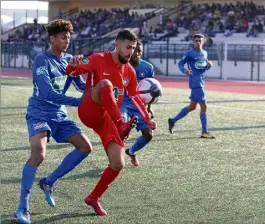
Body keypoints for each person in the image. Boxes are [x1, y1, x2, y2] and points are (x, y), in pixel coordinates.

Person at [65, 29, 157, 216]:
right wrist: (72, 64)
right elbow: (71, 70)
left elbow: (135, 98)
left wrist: (147, 119)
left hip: (106, 117)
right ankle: (120, 123)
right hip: (89, 109)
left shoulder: (130, 71)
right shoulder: (98, 58)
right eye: (127, 47)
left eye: (132, 48)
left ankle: (93, 198)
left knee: (118, 163)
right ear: (117, 45)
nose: (130, 52)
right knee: (105, 85)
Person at [14, 19, 93, 224]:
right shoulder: (42, 60)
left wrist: (88, 77)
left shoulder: (68, 60)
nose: (67, 41)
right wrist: (78, 102)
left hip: (59, 113)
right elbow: (48, 93)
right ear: (52, 38)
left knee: (85, 147)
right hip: (39, 111)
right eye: (63, 37)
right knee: (39, 154)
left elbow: (81, 86)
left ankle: (49, 182)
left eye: (68, 37)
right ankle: (23, 208)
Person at [168, 33, 215, 139]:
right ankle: (204, 132)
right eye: (196, 40)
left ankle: (172, 120)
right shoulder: (190, 53)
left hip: (201, 82)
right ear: (193, 42)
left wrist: (208, 66)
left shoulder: (205, 53)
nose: (198, 42)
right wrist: (185, 71)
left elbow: (202, 69)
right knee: (204, 106)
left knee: (192, 106)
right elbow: (180, 63)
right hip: (196, 83)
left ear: (203, 42)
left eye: (200, 41)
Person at [120, 41, 155, 166]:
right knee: (120, 130)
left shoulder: (148, 68)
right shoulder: (121, 65)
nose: (137, 54)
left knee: (148, 135)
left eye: (140, 51)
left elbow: (151, 90)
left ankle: (131, 151)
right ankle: (115, 161)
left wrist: (149, 108)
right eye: (135, 51)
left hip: (138, 106)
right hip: (122, 103)